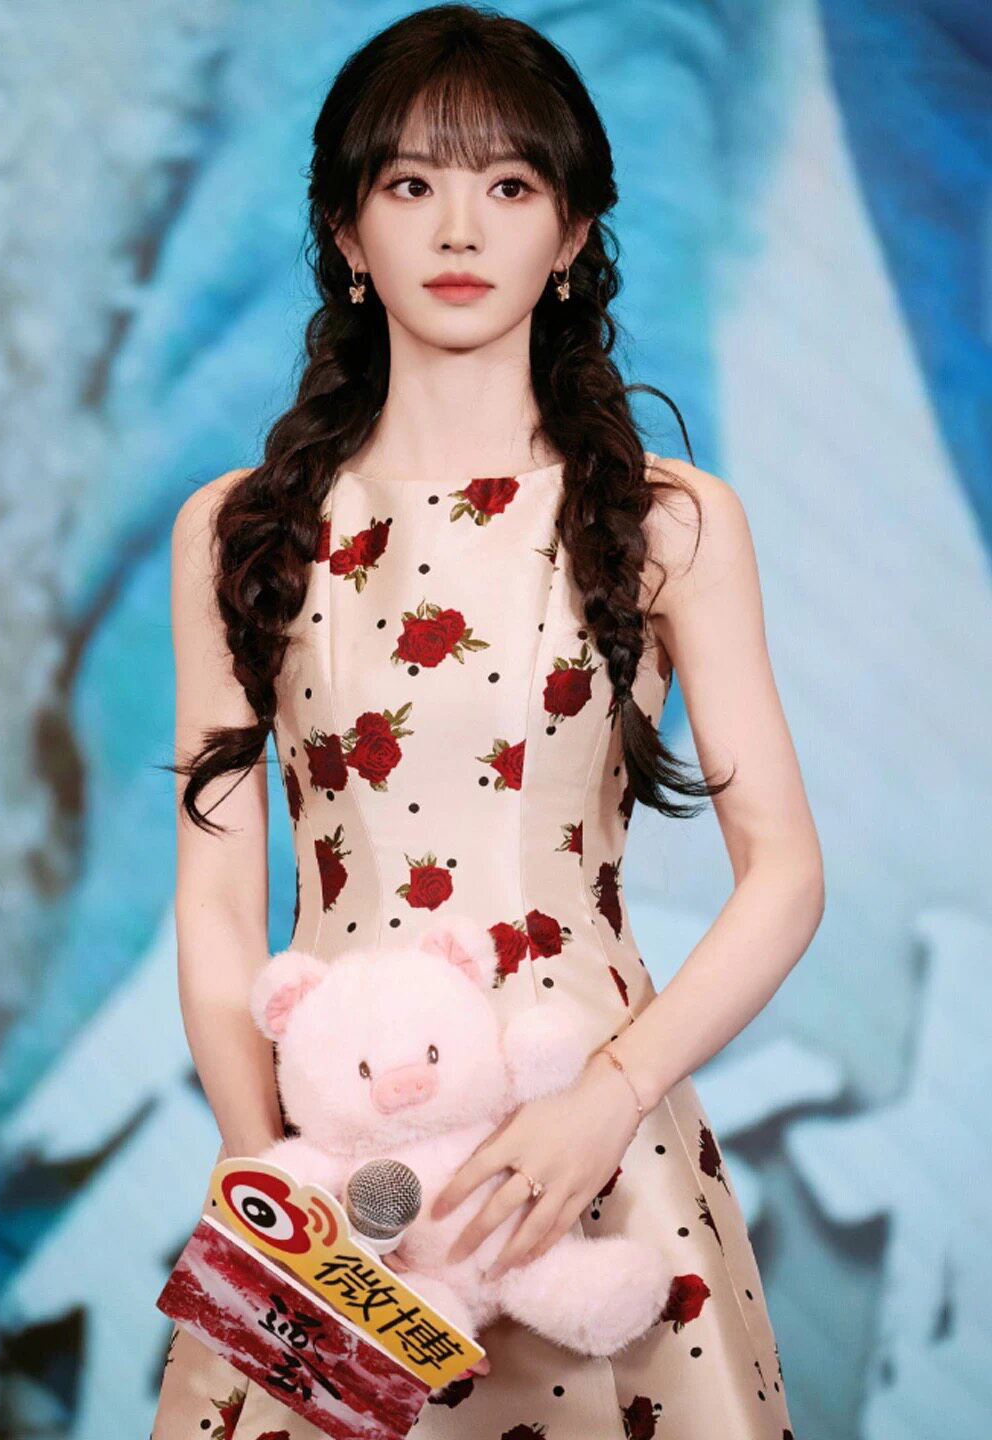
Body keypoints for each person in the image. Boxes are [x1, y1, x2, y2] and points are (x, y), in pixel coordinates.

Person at [151, 5, 823, 1436]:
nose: (460, 228)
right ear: (347, 232)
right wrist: (272, 1175)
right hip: (330, 1160)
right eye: (411, 183)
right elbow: (214, 899)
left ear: (571, 235)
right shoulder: (238, 532)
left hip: (591, 1145)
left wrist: (609, 1101)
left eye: (510, 185)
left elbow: (785, 874)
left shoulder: (668, 522)